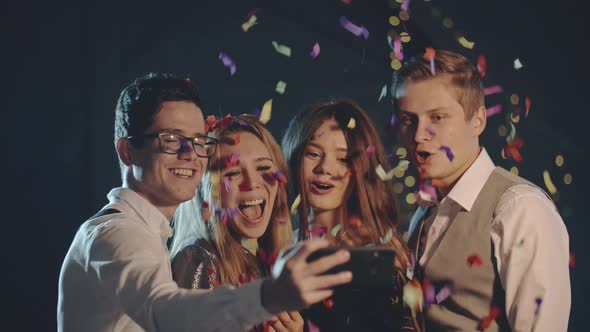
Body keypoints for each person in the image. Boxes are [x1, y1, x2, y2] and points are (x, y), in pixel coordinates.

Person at [57, 73, 352, 332]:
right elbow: (163, 313)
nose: (190, 154)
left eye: (198, 140)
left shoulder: (149, 234)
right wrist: (270, 296)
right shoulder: (119, 232)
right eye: (171, 139)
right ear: (127, 151)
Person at [391, 49, 570, 331]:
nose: (418, 135)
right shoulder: (425, 210)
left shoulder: (521, 208)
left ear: (478, 120)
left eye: (437, 118)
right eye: (408, 120)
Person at [281, 100, 423, 331]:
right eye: (313, 153)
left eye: (343, 158)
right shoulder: (281, 245)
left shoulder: (376, 257)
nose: (325, 168)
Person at [170, 114, 303, 332]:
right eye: (232, 172)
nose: (253, 184)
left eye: (263, 168)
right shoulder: (200, 259)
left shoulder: (266, 262)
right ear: (205, 192)